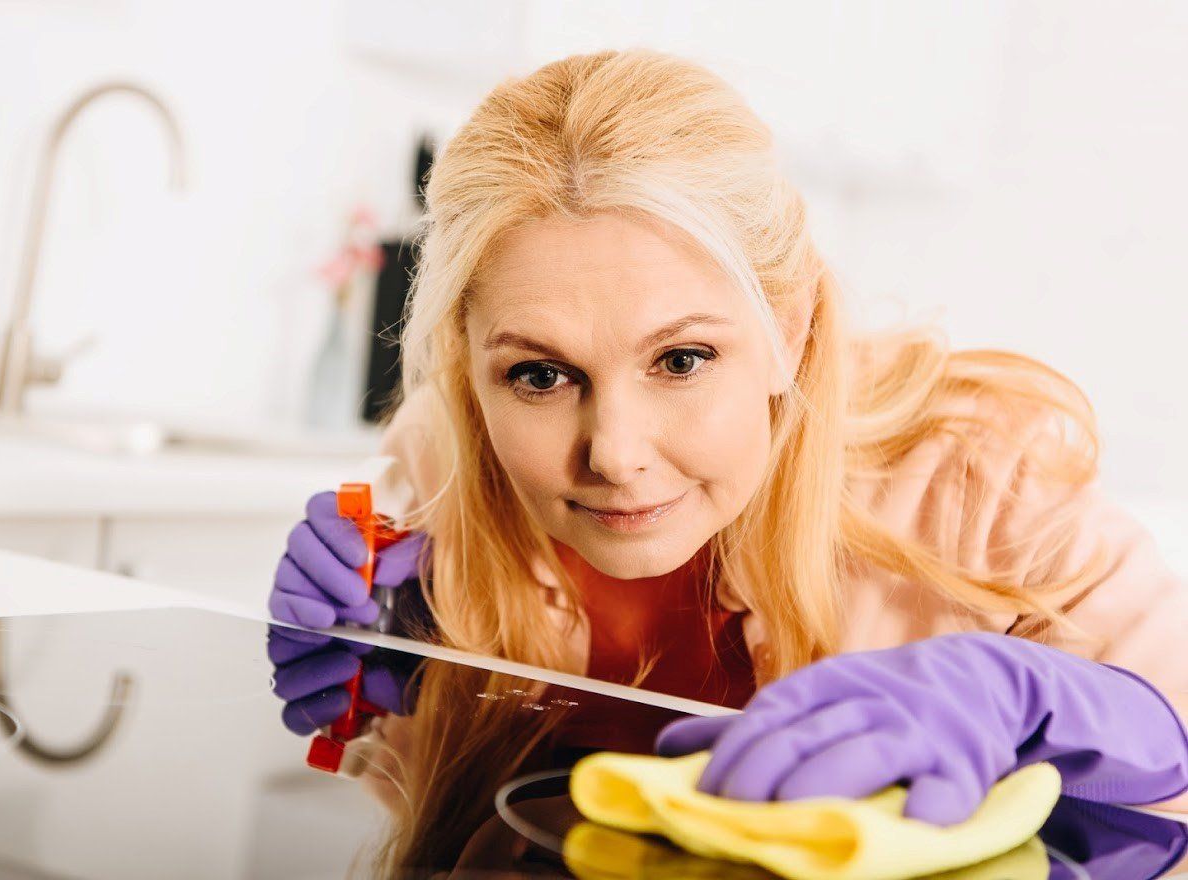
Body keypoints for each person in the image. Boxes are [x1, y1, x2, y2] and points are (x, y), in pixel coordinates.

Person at [268, 47, 1188, 835]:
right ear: (464, 358)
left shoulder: (977, 479)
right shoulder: (444, 463)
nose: (615, 454)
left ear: (787, 332)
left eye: (682, 358)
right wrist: (410, 656)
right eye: (540, 375)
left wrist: (1033, 704)